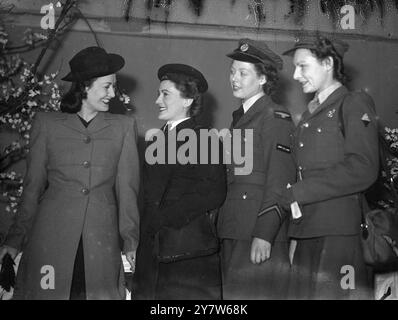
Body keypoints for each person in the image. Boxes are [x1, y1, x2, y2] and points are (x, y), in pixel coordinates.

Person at [0, 46, 140, 299]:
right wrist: (14, 240)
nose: (113, 94)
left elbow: (128, 191)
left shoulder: (124, 127)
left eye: (114, 87)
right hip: (50, 236)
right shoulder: (47, 124)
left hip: (101, 238)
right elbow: (32, 188)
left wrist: (131, 242)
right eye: (106, 86)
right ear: (85, 86)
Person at [281, 35, 379, 299]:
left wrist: (301, 191)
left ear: (327, 63)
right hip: (308, 228)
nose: (296, 74)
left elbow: (364, 167)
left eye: (303, 66)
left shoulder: (353, 103)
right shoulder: (311, 113)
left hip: (337, 232)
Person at [134, 64, 226, 300]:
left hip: (184, 253)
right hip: (150, 251)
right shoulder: (155, 141)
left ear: (187, 100)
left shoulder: (204, 140)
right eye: (158, 93)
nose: (157, 101)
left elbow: (213, 192)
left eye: (165, 94)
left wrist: (163, 217)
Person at [217, 39, 296, 299]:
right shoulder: (239, 118)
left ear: (263, 79)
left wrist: (264, 233)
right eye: (232, 72)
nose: (234, 79)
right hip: (235, 229)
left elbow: (281, 179)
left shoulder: (274, 116)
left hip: (259, 233)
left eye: (243, 73)